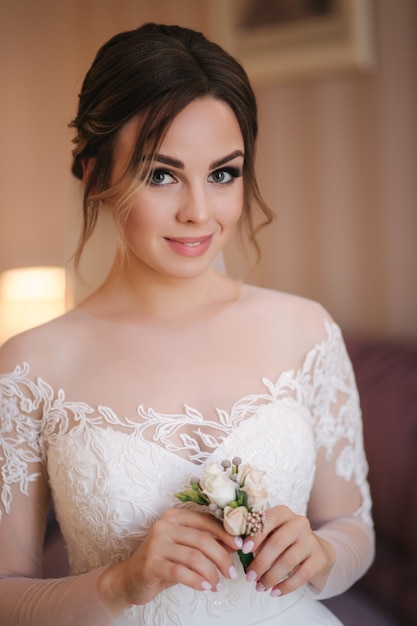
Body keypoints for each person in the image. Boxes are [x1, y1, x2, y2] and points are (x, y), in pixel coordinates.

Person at [0, 23, 374, 626]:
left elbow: (354, 528)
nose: (199, 211)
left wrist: (321, 554)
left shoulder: (304, 331)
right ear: (97, 177)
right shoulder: (31, 366)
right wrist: (122, 582)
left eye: (223, 174)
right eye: (161, 174)